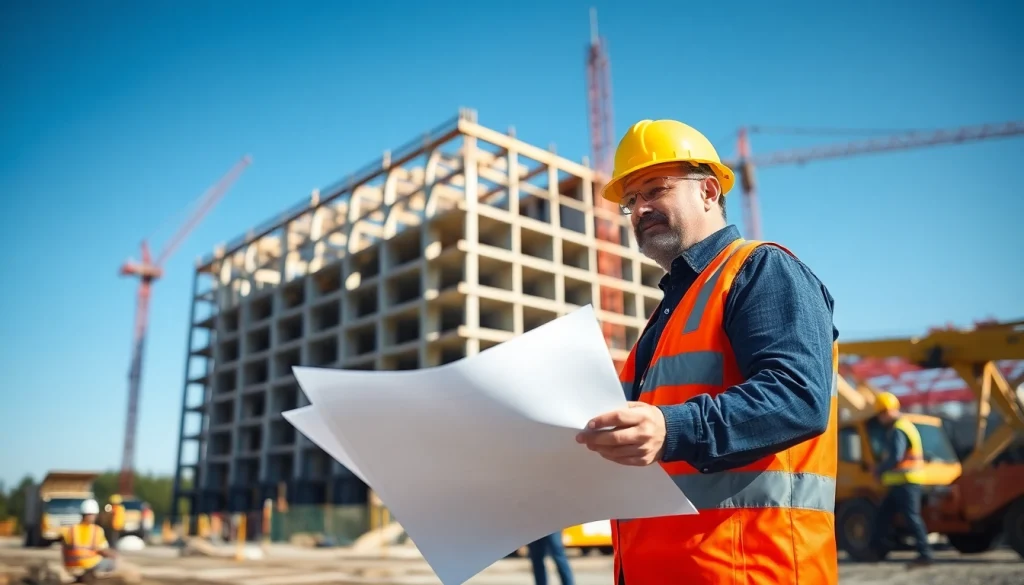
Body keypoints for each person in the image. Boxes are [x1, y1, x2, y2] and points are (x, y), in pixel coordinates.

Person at [575, 119, 840, 584]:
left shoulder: (761, 269)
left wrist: (671, 427)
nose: (640, 209)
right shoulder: (669, 315)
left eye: (654, 189)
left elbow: (798, 398)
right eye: (631, 201)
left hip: (749, 568)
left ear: (709, 192)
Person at [869, 391, 933, 568]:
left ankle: (925, 554)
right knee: (883, 516)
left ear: (886, 411)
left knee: (911, 517)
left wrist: (879, 470)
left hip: (906, 482)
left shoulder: (898, 429)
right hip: (901, 483)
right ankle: (876, 550)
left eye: (879, 414)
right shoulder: (904, 426)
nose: (879, 419)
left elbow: (895, 457)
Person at [60, 499, 117, 582]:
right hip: (89, 564)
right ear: (95, 515)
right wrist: (114, 555)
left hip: (71, 565)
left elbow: (64, 549)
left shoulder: (71, 530)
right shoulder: (97, 530)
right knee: (111, 563)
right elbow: (103, 550)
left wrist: (67, 565)